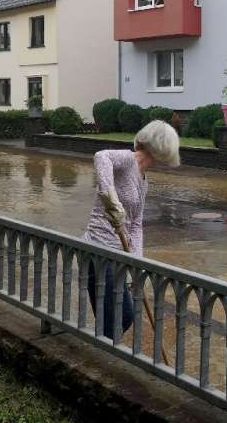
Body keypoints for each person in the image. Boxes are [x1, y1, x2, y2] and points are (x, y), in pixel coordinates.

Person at [84, 120, 180, 337]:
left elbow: (136, 225)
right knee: (121, 316)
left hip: (120, 254)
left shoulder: (144, 180)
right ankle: (102, 352)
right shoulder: (128, 160)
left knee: (119, 317)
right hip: (99, 248)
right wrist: (110, 198)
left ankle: (102, 347)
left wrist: (136, 264)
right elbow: (101, 157)